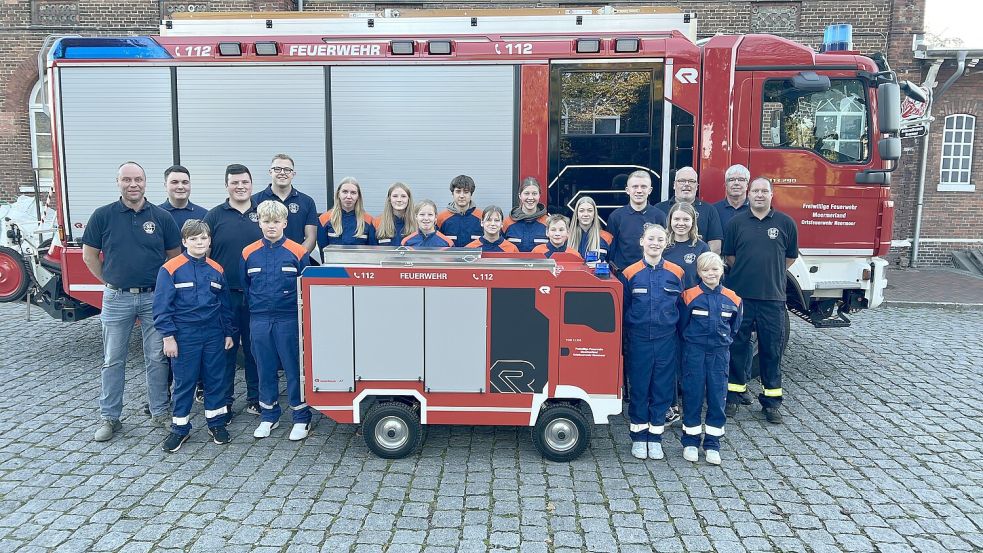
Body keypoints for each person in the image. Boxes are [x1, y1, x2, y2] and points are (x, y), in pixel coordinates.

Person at [81, 161, 182, 442]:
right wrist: (110, 281)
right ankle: (110, 418)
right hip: (116, 298)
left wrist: (161, 288)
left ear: (146, 182)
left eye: (138, 179)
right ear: (118, 182)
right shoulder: (103, 215)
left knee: (156, 358)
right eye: (127, 180)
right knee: (113, 360)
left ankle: (160, 412)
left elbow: (174, 257)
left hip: (153, 299)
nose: (133, 184)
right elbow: (89, 255)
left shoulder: (161, 217)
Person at [153, 220, 235, 452]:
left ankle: (216, 423)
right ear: (184, 241)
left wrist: (228, 332)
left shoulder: (216, 269)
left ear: (209, 240)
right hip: (184, 334)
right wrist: (168, 337)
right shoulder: (170, 268)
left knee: (215, 379)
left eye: (203, 238)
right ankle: (180, 429)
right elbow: (161, 307)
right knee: (185, 382)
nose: (199, 242)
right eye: (194, 238)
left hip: (213, 334)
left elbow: (225, 304)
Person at [723, 177, 798, 424]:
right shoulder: (736, 223)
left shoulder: (786, 223)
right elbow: (730, 257)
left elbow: (789, 258)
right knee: (737, 347)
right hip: (741, 297)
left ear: (771, 194)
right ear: (748, 193)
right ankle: (733, 396)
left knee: (771, 350)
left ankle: (771, 402)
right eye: (755, 191)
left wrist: (770, 276)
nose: (759, 195)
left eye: (764, 191)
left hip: (772, 299)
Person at [241, 200, 312, 441]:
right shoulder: (248, 253)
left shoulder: (299, 252)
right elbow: (246, 286)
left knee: (294, 368)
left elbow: (305, 288)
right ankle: (269, 415)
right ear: (259, 223)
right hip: (260, 319)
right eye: (266, 221)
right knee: (265, 368)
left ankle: (301, 418)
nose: (271, 226)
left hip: (288, 318)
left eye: (275, 221)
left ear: (284, 222)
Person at [202, 164, 263, 418]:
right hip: (223, 298)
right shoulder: (214, 216)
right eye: (235, 182)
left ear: (251, 184)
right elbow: (202, 254)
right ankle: (223, 401)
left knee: (254, 350)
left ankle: (256, 399)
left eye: (244, 182)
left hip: (256, 295)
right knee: (224, 350)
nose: (240, 187)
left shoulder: (263, 214)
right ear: (226, 185)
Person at [621, 223, 684, 461]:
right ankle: (638, 437)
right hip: (638, 341)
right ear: (642, 242)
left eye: (660, 239)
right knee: (639, 388)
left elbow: (683, 308)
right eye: (650, 239)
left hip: (667, 340)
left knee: (662, 389)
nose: (655, 243)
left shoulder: (677, 272)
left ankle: (655, 437)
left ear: (666, 243)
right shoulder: (629, 273)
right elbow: (624, 308)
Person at [678, 252, 742, 465]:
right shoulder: (689, 296)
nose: (710, 273)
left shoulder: (733, 298)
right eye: (705, 270)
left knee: (717, 398)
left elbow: (735, 327)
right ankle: (690, 442)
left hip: (719, 355)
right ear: (698, 272)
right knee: (692, 396)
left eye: (714, 269)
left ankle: (713, 443)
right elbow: (682, 325)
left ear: (722, 270)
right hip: (694, 353)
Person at [253, 153, 318, 257]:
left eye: (287, 170)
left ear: (293, 174)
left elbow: (311, 238)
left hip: (296, 262)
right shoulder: (255, 201)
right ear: (270, 172)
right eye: (277, 169)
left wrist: (295, 257)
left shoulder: (307, 202)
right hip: (263, 261)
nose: (282, 173)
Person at [606, 171, 668, 275]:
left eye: (643, 187)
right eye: (635, 186)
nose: (639, 191)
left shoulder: (659, 216)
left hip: (652, 273)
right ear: (627, 190)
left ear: (650, 190)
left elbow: (664, 247)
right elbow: (611, 251)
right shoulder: (616, 216)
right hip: (623, 274)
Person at [653, 167, 723, 254]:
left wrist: (704, 264)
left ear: (697, 186)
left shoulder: (709, 210)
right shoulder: (659, 209)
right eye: (682, 181)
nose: (686, 184)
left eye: (691, 181)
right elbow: (652, 242)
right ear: (674, 185)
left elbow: (715, 246)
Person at [318, 177, 377, 249]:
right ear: (338, 194)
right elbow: (323, 251)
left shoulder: (369, 220)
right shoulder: (324, 219)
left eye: (353, 193)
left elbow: (372, 251)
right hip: (333, 260)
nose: (349, 196)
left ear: (358, 196)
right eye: (345, 192)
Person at [663, 202, 711, 290]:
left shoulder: (702, 248)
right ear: (670, 220)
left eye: (686, 219)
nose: (681, 223)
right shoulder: (662, 246)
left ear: (693, 221)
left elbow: (708, 280)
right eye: (676, 219)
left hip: (691, 301)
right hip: (664, 300)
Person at [503, 177, 548, 252]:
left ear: (539, 195)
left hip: (541, 263)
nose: (530, 197)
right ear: (520, 195)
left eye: (534, 194)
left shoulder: (548, 223)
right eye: (526, 193)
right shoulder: (507, 223)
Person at [159, 165, 208, 234]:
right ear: (165, 185)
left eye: (185, 182)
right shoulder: (155, 215)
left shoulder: (204, 215)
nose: (180, 187)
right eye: (174, 182)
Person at [437, 175, 483, 247]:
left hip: (475, 258)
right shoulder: (441, 218)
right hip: (449, 258)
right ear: (453, 193)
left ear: (471, 194)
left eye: (466, 192)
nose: (462, 196)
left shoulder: (482, 217)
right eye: (458, 192)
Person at [568, 196, 613, 261]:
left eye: (590, 211)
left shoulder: (606, 237)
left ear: (594, 214)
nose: (585, 214)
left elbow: (611, 265)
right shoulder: (567, 237)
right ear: (576, 215)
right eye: (581, 211)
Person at [374, 182, 415, 246]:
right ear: (389, 199)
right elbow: (372, 252)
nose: (399, 200)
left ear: (409, 199)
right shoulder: (376, 223)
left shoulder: (418, 224)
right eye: (395, 196)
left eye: (403, 196)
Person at [713, 164, 751, 231]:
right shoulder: (713, 210)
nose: (736, 183)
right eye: (731, 179)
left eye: (741, 179)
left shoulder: (755, 209)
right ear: (726, 185)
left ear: (747, 185)